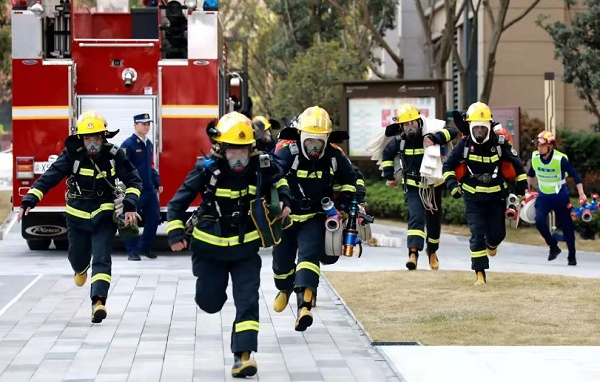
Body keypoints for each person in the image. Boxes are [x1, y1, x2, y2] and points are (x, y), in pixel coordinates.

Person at [166, 112, 291, 378]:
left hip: (245, 250)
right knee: (210, 302)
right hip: (209, 250)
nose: (239, 156)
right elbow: (177, 204)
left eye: (243, 150)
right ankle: (214, 299)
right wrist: (176, 235)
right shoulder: (205, 169)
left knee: (247, 301)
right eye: (233, 149)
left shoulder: (261, 167)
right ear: (221, 148)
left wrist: (284, 200)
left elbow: (280, 180)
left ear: (252, 148)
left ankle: (243, 356)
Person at [18, 111, 142, 322]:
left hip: (103, 215)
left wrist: (129, 205)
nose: (92, 143)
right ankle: (80, 268)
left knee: (102, 258)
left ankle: (98, 302)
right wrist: (29, 200)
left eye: (95, 139)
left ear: (103, 137)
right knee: (77, 257)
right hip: (76, 216)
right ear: (81, 139)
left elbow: (134, 180)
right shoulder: (71, 155)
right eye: (87, 139)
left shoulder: (114, 155)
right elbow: (49, 177)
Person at [271, 106, 361, 332]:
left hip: (315, 216)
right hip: (286, 218)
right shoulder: (286, 154)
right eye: (310, 140)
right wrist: (278, 201)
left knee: (308, 257)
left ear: (327, 140)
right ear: (300, 136)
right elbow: (272, 175)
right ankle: (284, 289)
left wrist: (344, 205)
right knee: (282, 266)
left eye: (319, 142)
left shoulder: (334, 156)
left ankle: (305, 307)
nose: (314, 146)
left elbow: (350, 180)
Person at [443, 102, 527, 285]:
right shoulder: (464, 145)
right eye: (476, 127)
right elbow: (448, 166)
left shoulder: (500, 143)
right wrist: (452, 186)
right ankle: (479, 274)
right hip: (472, 199)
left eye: (483, 127)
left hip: (496, 197)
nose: (479, 131)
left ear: (489, 125)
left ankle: (492, 244)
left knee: (498, 235)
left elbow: (517, 165)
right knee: (477, 234)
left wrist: (521, 188)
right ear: (470, 127)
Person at [381, 103, 459, 271]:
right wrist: (390, 176)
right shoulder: (399, 141)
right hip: (412, 186)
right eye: (407, 124)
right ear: (401, 126)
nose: (411, 127)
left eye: (413, 123)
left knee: (433, 221)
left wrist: (435, 138)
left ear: (419, 121)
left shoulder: (429, 132)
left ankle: (432, 253)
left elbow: (453, 132)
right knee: (416, 217)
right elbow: (387, 154)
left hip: (433, 186)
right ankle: (413, 254)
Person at [527, 130, 586, 265]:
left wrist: (581, 194)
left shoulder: (560, 159)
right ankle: (553, 246)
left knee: (567, 226)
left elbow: (575, 176)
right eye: (537, 144)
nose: (539, 147)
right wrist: (526, 190)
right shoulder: (535, 157)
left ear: (550, 146)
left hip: (560, 197)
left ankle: (572, 256)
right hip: (543, 197)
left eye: (542, 144)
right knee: (540, 221)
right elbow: (530, 174)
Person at [121, 113, 162, 260]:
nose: (147, 126)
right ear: (135, 125)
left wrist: (157, 182)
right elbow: (123, 168)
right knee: (131, 219)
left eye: (148, 124)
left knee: (154, 217)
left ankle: (145, 247)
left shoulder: (148, 144)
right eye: (143, 124)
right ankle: (132, 251)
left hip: (149, 188)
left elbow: (151, 165)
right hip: (135, 189)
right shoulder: (128, 145)